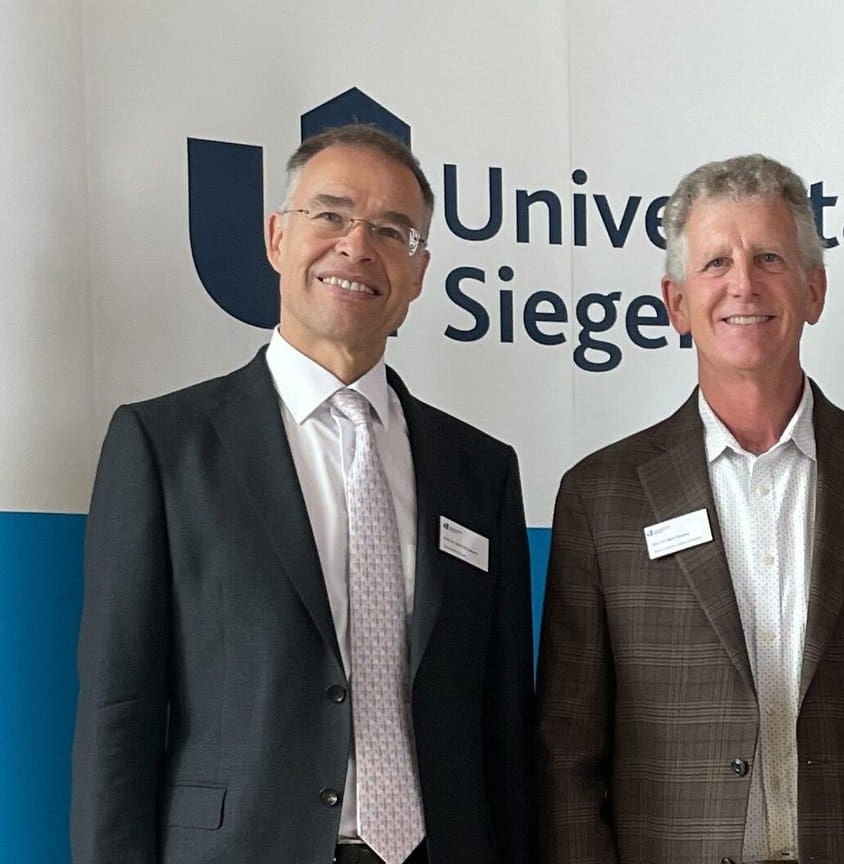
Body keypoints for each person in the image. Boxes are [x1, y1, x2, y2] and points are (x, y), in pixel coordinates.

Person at [71, 124, 535, 864]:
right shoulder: (165, 447)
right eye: (331, 215)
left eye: (392, 230)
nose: (357, 245)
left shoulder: (481, 470)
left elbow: (504, 724)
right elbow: (116, 717)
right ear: (277, 238)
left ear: (417, 274)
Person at [534, 154, 844, 864]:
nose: (743, 283)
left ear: (814, 290)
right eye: (715, 262)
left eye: (770, 257)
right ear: (675, 302)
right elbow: (569, 759)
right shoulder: (602, 499)